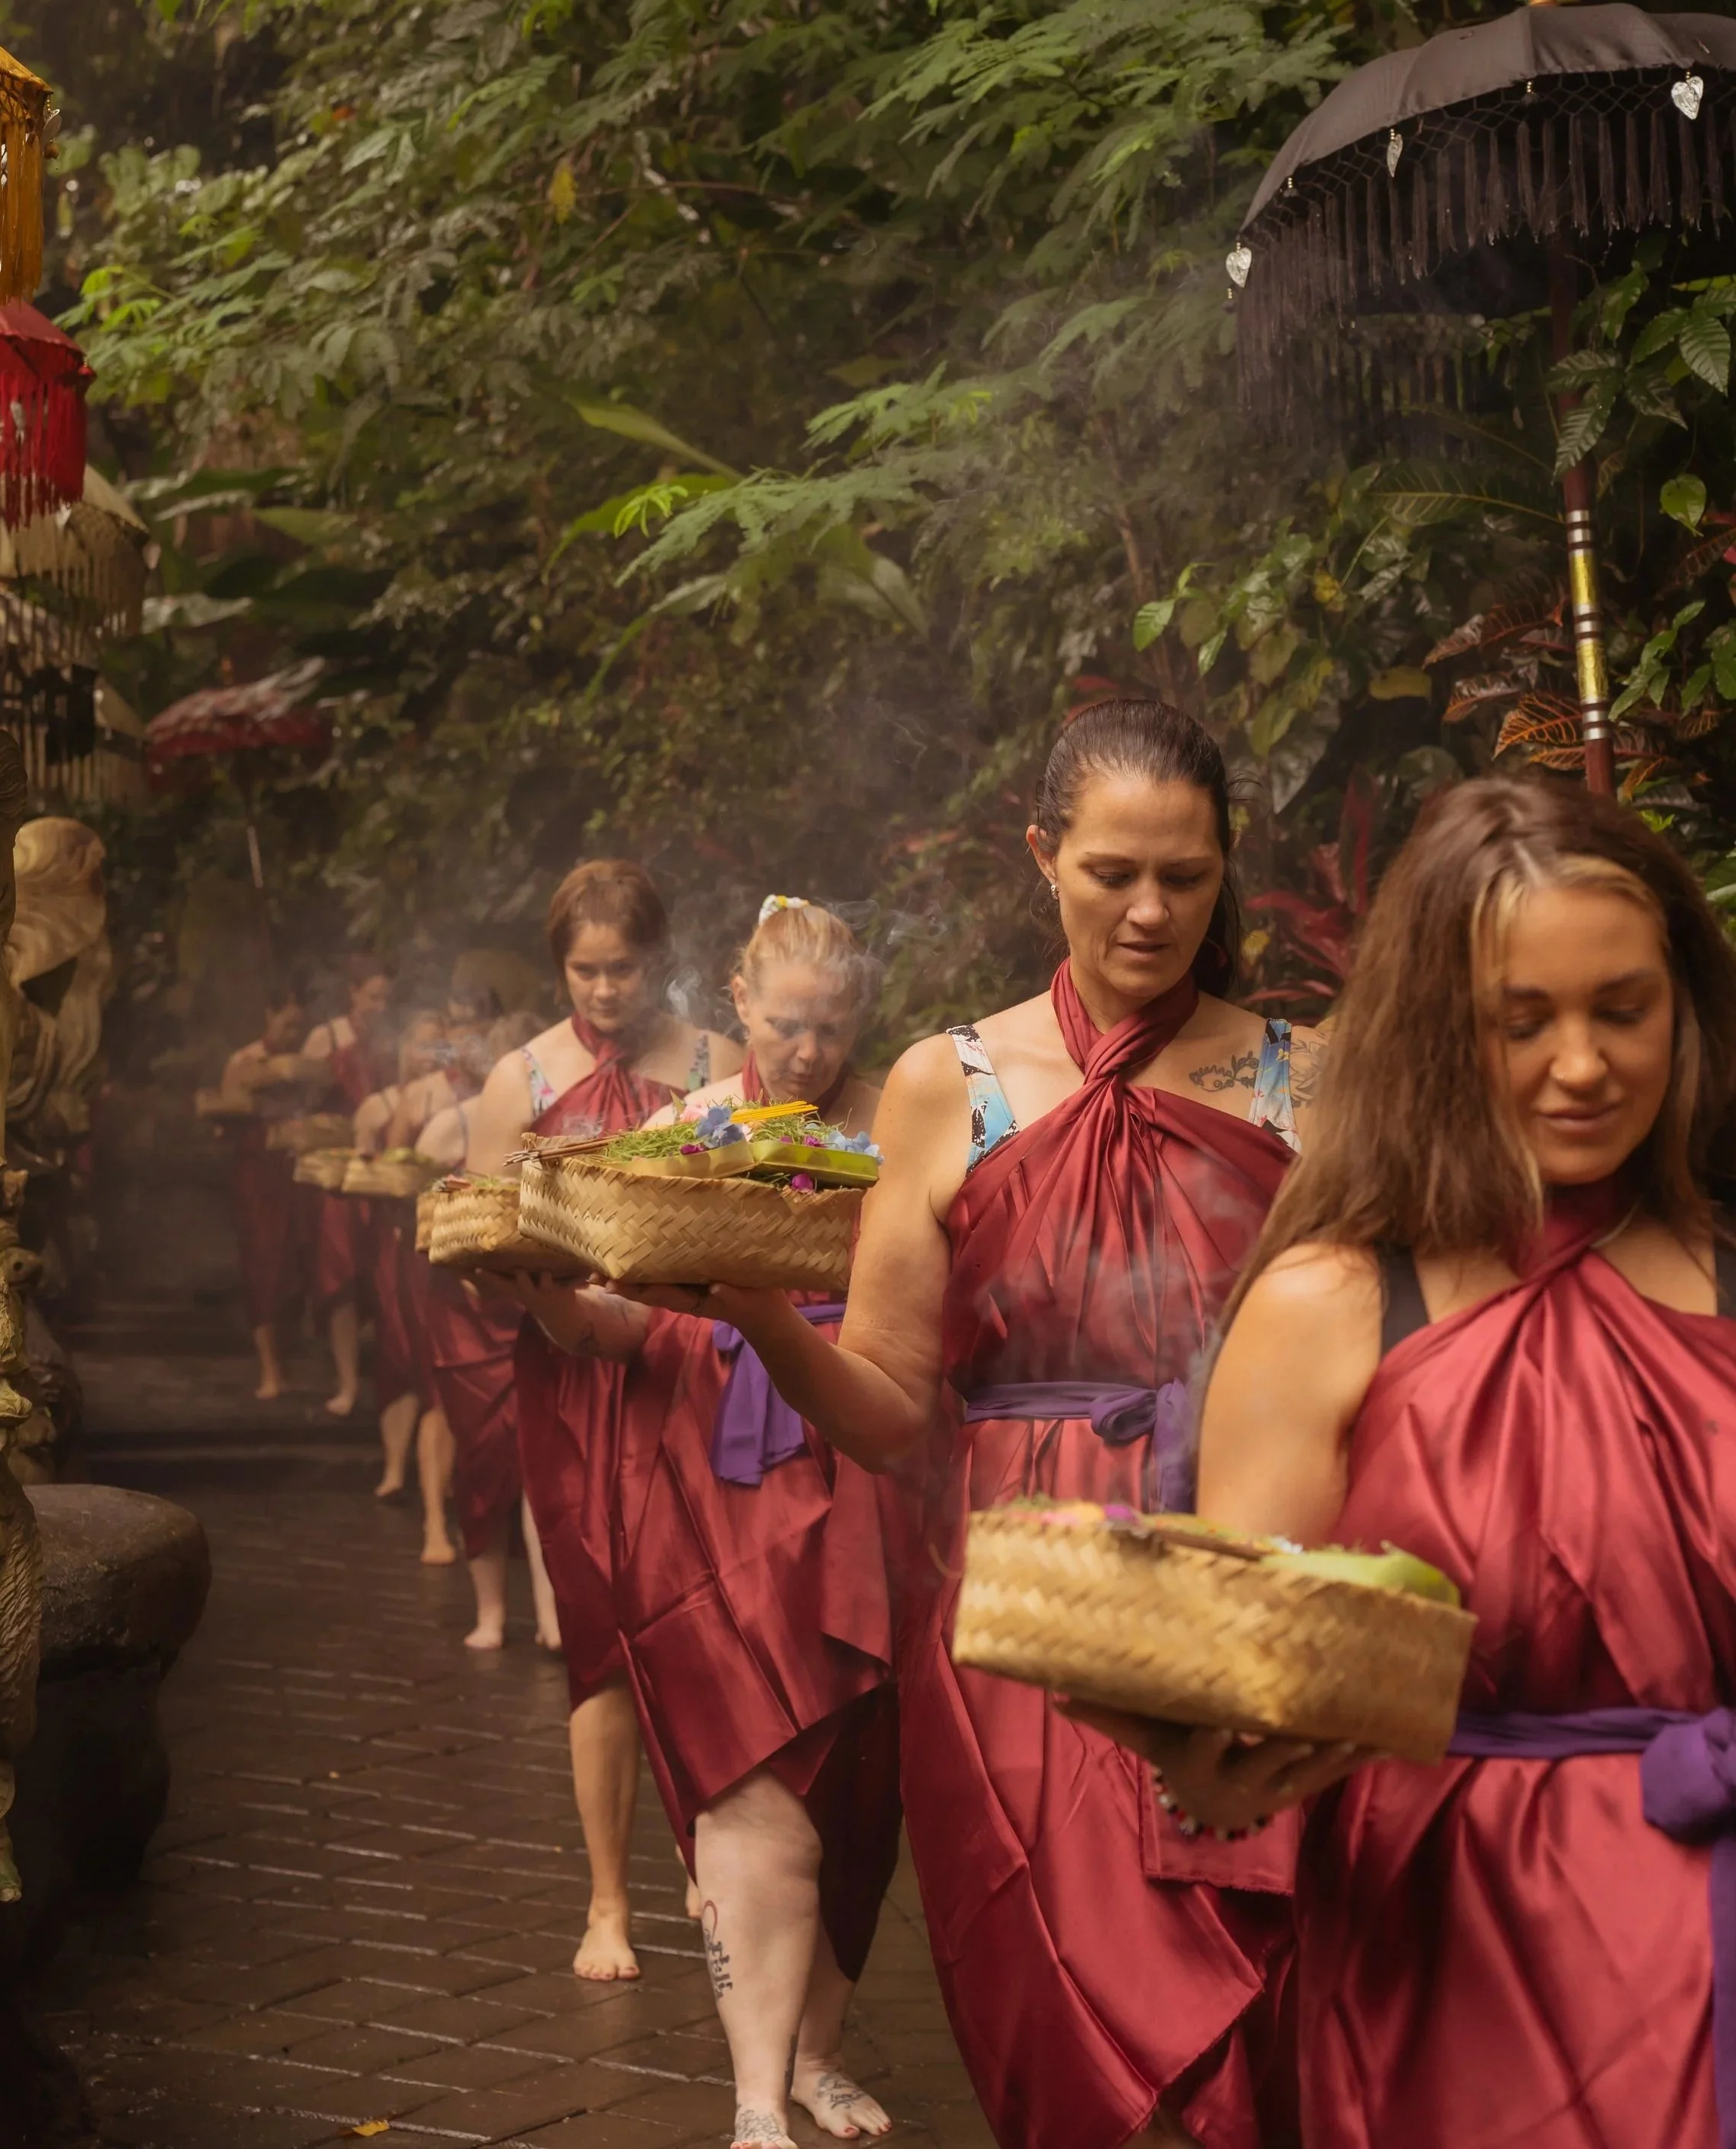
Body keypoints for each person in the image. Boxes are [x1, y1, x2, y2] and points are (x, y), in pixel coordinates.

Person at [684, 701, 1324, 2149]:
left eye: (1188, 876)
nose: (1151, 910)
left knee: (1243, 2018)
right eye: (1112, 873)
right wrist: (770, 1319)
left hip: (1226, 1576)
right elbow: (898, 1404)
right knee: (1046, 2017)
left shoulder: (1300, 1085)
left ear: (1227, 871)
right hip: (1010, 1610)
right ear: (1042, 856)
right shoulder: (946, 1083)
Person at [1119, 776, 1736, 2149]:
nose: (1582, 1066)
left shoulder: (1728, 1284)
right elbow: (1231, 1731)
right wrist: (1212, 1768)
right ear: (1435, 1035)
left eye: (1621, 1010)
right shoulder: (1329, 1308)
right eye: (1521, 1023)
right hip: (1446, 1962)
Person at [523, 899, 898, 2149]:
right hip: (717, 1489)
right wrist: (550, 1300)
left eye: (830, 1027)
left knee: (858, 1780)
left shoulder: (894, 1124)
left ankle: (820, 2056)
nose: (805, 1050)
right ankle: (753, 2097)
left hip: (860, 1468)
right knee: (748, 1782)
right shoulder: (687, 1130)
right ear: (739, 1004)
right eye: (786, 1024)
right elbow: (620, 1322)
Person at [460, 860, 742, 1981]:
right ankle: (606, 1902)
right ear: (559, 965)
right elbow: (475, 1240)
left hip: (689, 1365)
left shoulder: (718, 1061)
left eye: (625, 966)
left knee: (704, 1615)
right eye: (586, 969)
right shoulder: (518, 1077)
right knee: (598, 1632)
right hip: (570, 1383)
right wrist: (541, 1280)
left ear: (658, 958)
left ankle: (706, 1853)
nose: (608, 988)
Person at [412, 1010, 555, 1641]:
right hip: (471, 1309)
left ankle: (554, 1618)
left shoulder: (563, 1126)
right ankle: (491, 1612)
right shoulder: (460, 1120)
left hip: (542, 1299)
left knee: (547, 1467)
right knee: (483, 1461)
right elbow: (428, 1198)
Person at [350, 1009, 455, 1560]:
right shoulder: (413, 1099)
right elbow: (395, 1168)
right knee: (400, 1351)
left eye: (441, 1044)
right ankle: (395, 1467)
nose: (433, 1054)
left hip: (455, 1246)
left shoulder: (482, 1092)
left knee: (438, 1368)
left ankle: (445, 1493)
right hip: (408, 1236)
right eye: (424, 1045)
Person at [301, 956, 394, 1417]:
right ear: (354, 993)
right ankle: (347, 1381)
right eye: (373, 997)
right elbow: (301, 1096)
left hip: (380, 1167)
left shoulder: (390, 1039)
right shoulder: (328, 1037)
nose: (380, 1006)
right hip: (338, 1171)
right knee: (339, 1279)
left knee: (378, 1278)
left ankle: (383, 1381)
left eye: (386, 998)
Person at [218, 987, 314, 1400]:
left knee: (296, 1263)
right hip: (255, 1174)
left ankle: (290, 1363)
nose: (293, 1032)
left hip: (295, 1170)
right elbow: (224, 1116)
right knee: (262, 1265)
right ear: (268, 1015)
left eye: (299, 1025)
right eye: (286, 1023)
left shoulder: (307, 1063)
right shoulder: (244, 1060)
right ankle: (270, 1370)